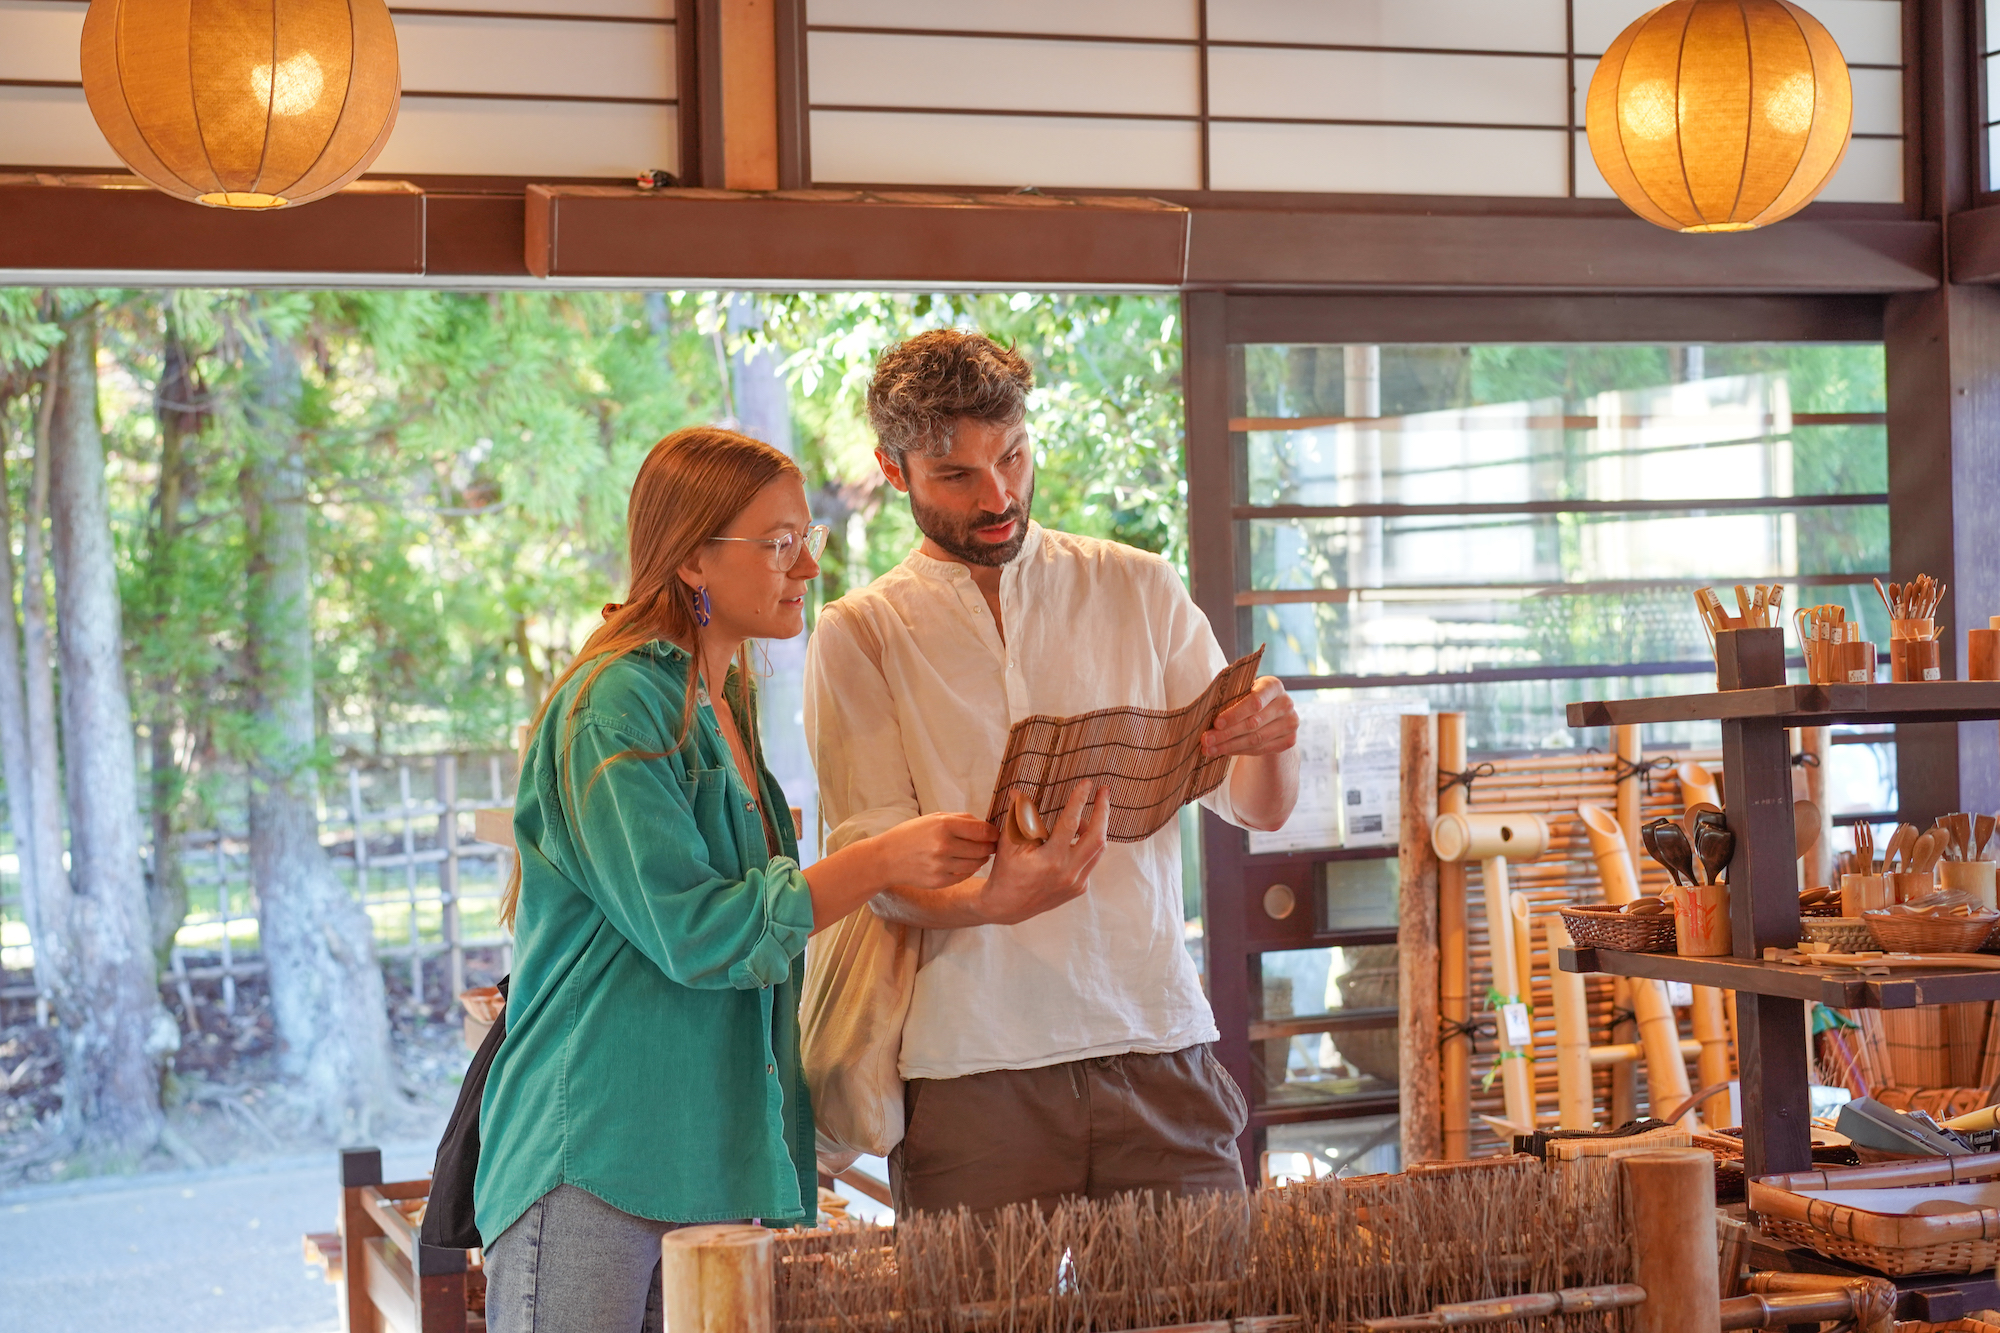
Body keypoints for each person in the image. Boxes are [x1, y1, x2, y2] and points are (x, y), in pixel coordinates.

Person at [475, 427, 1013, 1333]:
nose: (806, 564)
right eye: (778, 543)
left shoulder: (724, 699)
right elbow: (698, 931)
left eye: (810, 537)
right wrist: (877, 862)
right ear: (691, 555)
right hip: (595, 1149)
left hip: (703, 1149)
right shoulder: (616, 702)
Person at [803, 330, 1302, 1215]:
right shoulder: (861, 633)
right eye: (957, 475)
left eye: (1013, 456)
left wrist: (1272, 739)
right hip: (972, 1065)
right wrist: (992, 899)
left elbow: (1258, 808)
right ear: (893, 467)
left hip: (1157, 1040)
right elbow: (875, 869)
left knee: (1212, 1311)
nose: (997, 494)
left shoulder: (1138, 587)